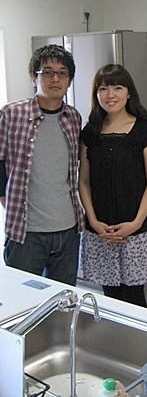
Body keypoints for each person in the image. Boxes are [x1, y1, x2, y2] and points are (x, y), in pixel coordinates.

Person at [78, 64, 147, 306]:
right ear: (96, 94)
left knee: (135, 300)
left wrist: (135, 223)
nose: (110, 95)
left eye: (117, 87)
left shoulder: (145, 131)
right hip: (101, 230)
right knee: (110, 300)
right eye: (103, 89)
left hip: (136, 230)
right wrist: (93, 221)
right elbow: (83, 182)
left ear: (129, 93)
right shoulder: (90, 133)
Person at [0, 44, 83, 285]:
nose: (55, 79)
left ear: (69, 81)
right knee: (24, 300)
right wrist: (9, 202)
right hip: (26, 233)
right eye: (47, 72)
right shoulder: (11, 114)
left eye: (62, 73)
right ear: (33, 77)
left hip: (68, 230)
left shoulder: (73, 118)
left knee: (63, 300)